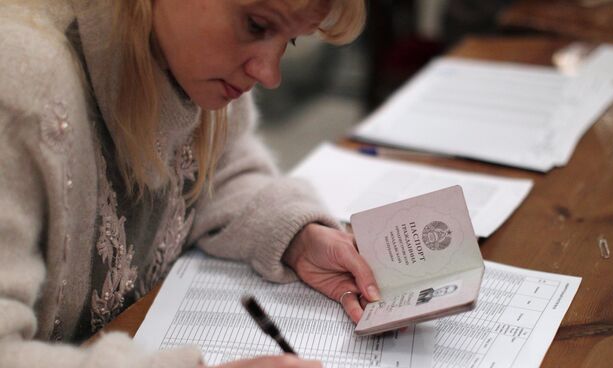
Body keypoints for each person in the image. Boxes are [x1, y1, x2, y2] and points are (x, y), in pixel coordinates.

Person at [0, 0, 378, 367]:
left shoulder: (188, 57)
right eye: (257, 26)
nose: (269, 74)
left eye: (291, 40)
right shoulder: (21, 81)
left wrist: (296, 235)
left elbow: (218, 171)